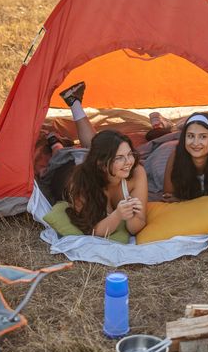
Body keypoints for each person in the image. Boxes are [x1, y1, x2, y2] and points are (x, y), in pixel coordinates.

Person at [58, 82, 148, 237]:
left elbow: (136, 227)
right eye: (120, 158)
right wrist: (118, 215)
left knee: (95, 147)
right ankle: (55, 143)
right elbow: (91, 231)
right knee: (60, 154)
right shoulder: (80, 184)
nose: (129, 162)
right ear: (102, 165)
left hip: (96, 162)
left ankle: (74, 102)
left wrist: (132, 216)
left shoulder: (137, 172)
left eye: (129, 154)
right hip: (63, 173)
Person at [161, 112, 208, 201]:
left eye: (203, 136)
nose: (195, 143)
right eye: (190, 136)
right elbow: (168, 196)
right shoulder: (175, 157)